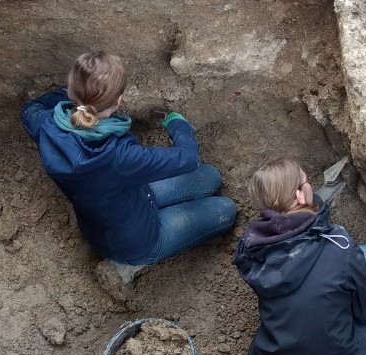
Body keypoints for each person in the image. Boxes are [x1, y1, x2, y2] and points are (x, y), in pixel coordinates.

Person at [20, 52, 237, 289]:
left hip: (129, 201)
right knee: (225, 210)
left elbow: (30, 108)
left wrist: (82, 95)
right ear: (118, 101)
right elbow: (187, 158)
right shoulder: (121, 156)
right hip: (136, 242)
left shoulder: (46, 126)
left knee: (211, 177)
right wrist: (178, 124)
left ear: (72, 90)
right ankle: (127, 265)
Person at [234, 157, 366, 355]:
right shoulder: (339, 245)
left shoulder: (253, 252)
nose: (311, 185)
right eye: (307, 182)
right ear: (298, 196)